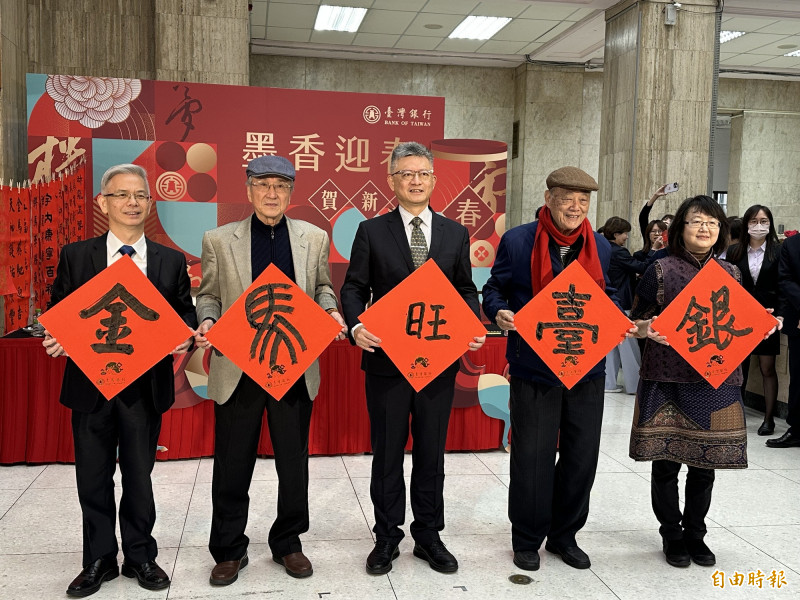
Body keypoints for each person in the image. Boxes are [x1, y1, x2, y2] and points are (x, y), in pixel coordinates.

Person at [43, 164, 197, 597]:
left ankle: (140, 555)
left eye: (140, 196)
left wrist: (180, 335)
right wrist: (58, 336)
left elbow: (184, 313)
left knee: (138, 475)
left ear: (150, 203)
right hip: (90, 387)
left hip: (143, 389)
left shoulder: (169, 260)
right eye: (122, 195)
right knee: (92, 477)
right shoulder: (78, 255)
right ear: (103, 202)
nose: (132, 203)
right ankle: (98, 559)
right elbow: (59, 309)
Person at [194, 155, 347, 585]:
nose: (272, 193)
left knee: (293, 462)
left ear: (291, 192)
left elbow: (322, 288)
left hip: (293, 364)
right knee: (232, 462)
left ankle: (289, 543)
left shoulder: (313, 238)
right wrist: (207, 319)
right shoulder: (219, 239)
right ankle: (228, 549)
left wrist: (331, 310)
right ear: (248, 190)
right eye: (263, 185)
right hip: (238, 365)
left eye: (281, 185)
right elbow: (208, 295)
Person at [340, 141, 485, 575]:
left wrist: (472, 323)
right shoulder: (371, 230)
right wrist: (355, 325)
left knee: (430, 453)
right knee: (387, 452)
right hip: (387, 362)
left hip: (437, 360)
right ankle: (386, 538)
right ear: (392, 181)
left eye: (422, 173)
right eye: (406, 174)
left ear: (434, 180)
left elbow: (465, 289)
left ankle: (428, 535)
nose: (415, 180)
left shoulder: (455, 233)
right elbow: (352, 288)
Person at [482, 166, 625, 572]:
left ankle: (565, 536)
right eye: (568, 199)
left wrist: (620, 318)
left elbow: (606, 296)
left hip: (587, 367)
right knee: (533, 455)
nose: (575, 208)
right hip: (534, 367)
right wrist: (499, 311)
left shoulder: (599, 245)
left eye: (583, 202)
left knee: (582, 455)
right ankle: (527, 538)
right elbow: (494, 289)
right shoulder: (518, 240)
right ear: (549, 200)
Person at [629, 196, 780, 568]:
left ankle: (696, 533)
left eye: (712, 223)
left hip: (717, 379)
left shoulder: (731, 274)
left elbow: (736, 322)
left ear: (721, 231)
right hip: (667, 377)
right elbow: (636, 324)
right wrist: (649, 329)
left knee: (706, 461)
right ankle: (672, 534)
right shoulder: (660, 270)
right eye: (696, 222)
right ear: (680, 228)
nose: (705, 229)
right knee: (666, 461)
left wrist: (762, 325)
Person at [723, 205, 781, 435]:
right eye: (754, 221)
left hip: (768, 315)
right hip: (740, 317)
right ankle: (737, 415)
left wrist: (778, 313)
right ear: (746, 224)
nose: (759, 225)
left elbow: (782, 285)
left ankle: (769, 419)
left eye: (764, 220)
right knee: (740, 367)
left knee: (767, 368)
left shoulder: (777, 251)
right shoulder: (735, 251)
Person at [600, 216, 647, 394]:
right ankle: (635, 385)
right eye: (625, 233)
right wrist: (653, 253)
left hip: (605, 302)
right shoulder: (619, 252)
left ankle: (609, 383)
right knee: (629, 345)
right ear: (616, 233)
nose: (626, 237)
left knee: (610, 347)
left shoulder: (602, 249)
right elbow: (641, 267)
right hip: (620, 302)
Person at [768, 231, 800, 448]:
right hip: (799, 319)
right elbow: (785, 279)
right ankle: (797, 428)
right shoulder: (791, 244)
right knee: (798, 378)